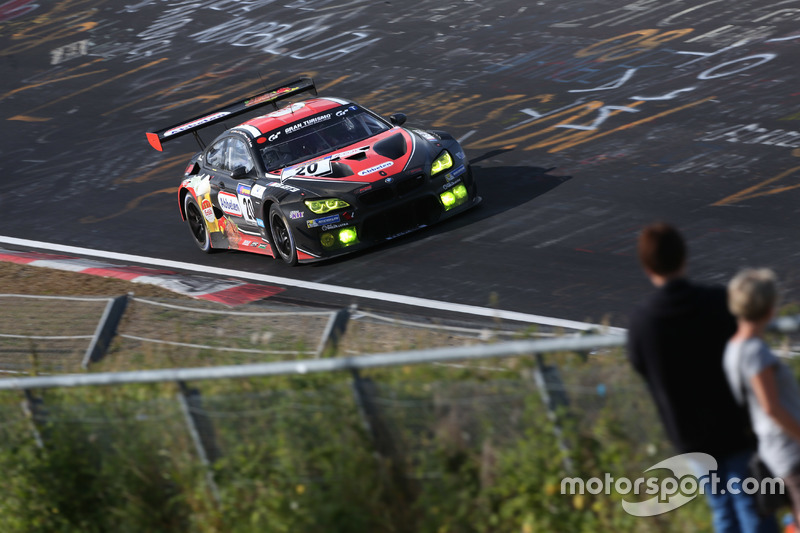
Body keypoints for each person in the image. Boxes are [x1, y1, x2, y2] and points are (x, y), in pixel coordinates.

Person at [628, 222, 777, 533]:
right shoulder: (716, 301)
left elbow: (639, 365)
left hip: (689, 434)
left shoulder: (643, 322)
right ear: (684, 256)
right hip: (734, 425)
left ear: (647, 266)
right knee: (753, 508)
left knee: (722, 512)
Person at [723, 268, 800, 524]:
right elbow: (771, 406)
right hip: (787, 448)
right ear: (768, 308)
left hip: (773, 448)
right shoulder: (754, 351)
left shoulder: (733, 349)